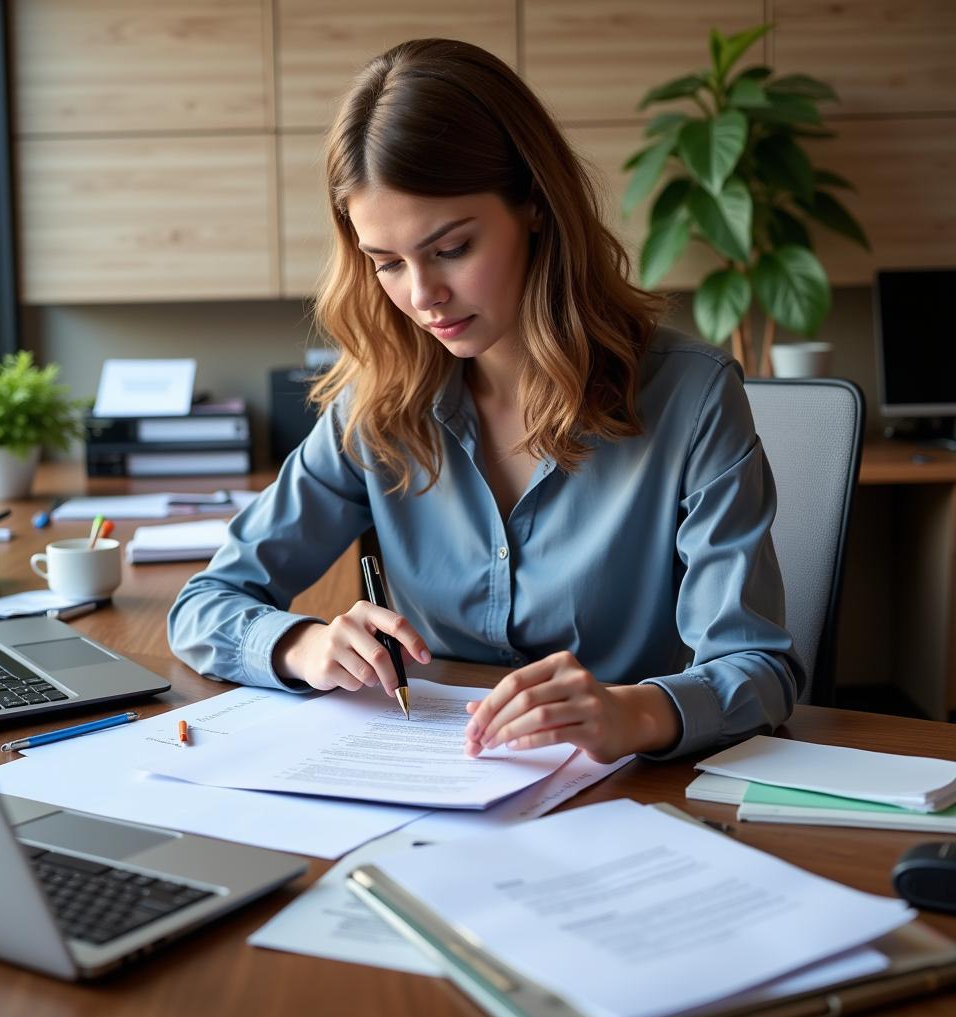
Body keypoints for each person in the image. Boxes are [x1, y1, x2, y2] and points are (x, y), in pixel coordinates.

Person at [168, 38, 802, 763]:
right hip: (431, 787)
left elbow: (760, 669)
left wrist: (633, 711)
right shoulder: (377, 404)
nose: (421, 296)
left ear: (533, 205)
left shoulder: (690, 397)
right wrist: (301, 645)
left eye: (451, 249)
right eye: (387, 264)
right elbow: (203, 607)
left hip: (626, 795)